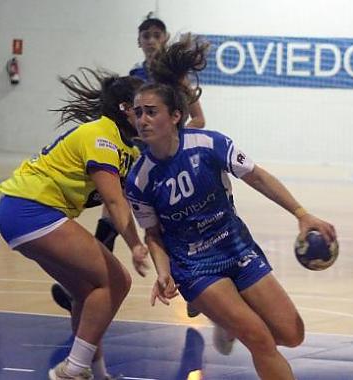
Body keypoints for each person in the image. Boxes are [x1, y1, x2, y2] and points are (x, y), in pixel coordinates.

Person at [125, 34, 337, 379]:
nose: (143, 120)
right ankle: (224, 313)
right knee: (259, 339)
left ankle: (226, 319)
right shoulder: (140, 179)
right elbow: (153, 233)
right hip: (195, 267)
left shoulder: (210, 144)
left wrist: (302, 213)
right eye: (138, 113)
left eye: (151, 112)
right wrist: (164, 272)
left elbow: (257, 177)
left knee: (291, 334)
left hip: (237, 249)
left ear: (176, 116)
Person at [0, 68, 149, 380]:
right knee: (118, 281)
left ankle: (96, 373)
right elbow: (114, 201)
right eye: (142, 110)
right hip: (30, 208)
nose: (146, 117)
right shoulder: (101, 137)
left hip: (22, 212)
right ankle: (72, 371)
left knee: (89, 291)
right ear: (124, 109)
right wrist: (135, 244)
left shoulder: (128, 147)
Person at [52, 14, 208, 318]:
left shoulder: (174, 79)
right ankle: (83, 284)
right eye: (145, 36)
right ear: (138, 41)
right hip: (137, 153)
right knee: (113, 209)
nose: (150, 40)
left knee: (171, 221)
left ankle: (197, 284)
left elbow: (200, 119)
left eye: (156, 35)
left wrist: (172, 137)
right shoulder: (135, 75)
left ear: (164, 39)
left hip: (167, 155)